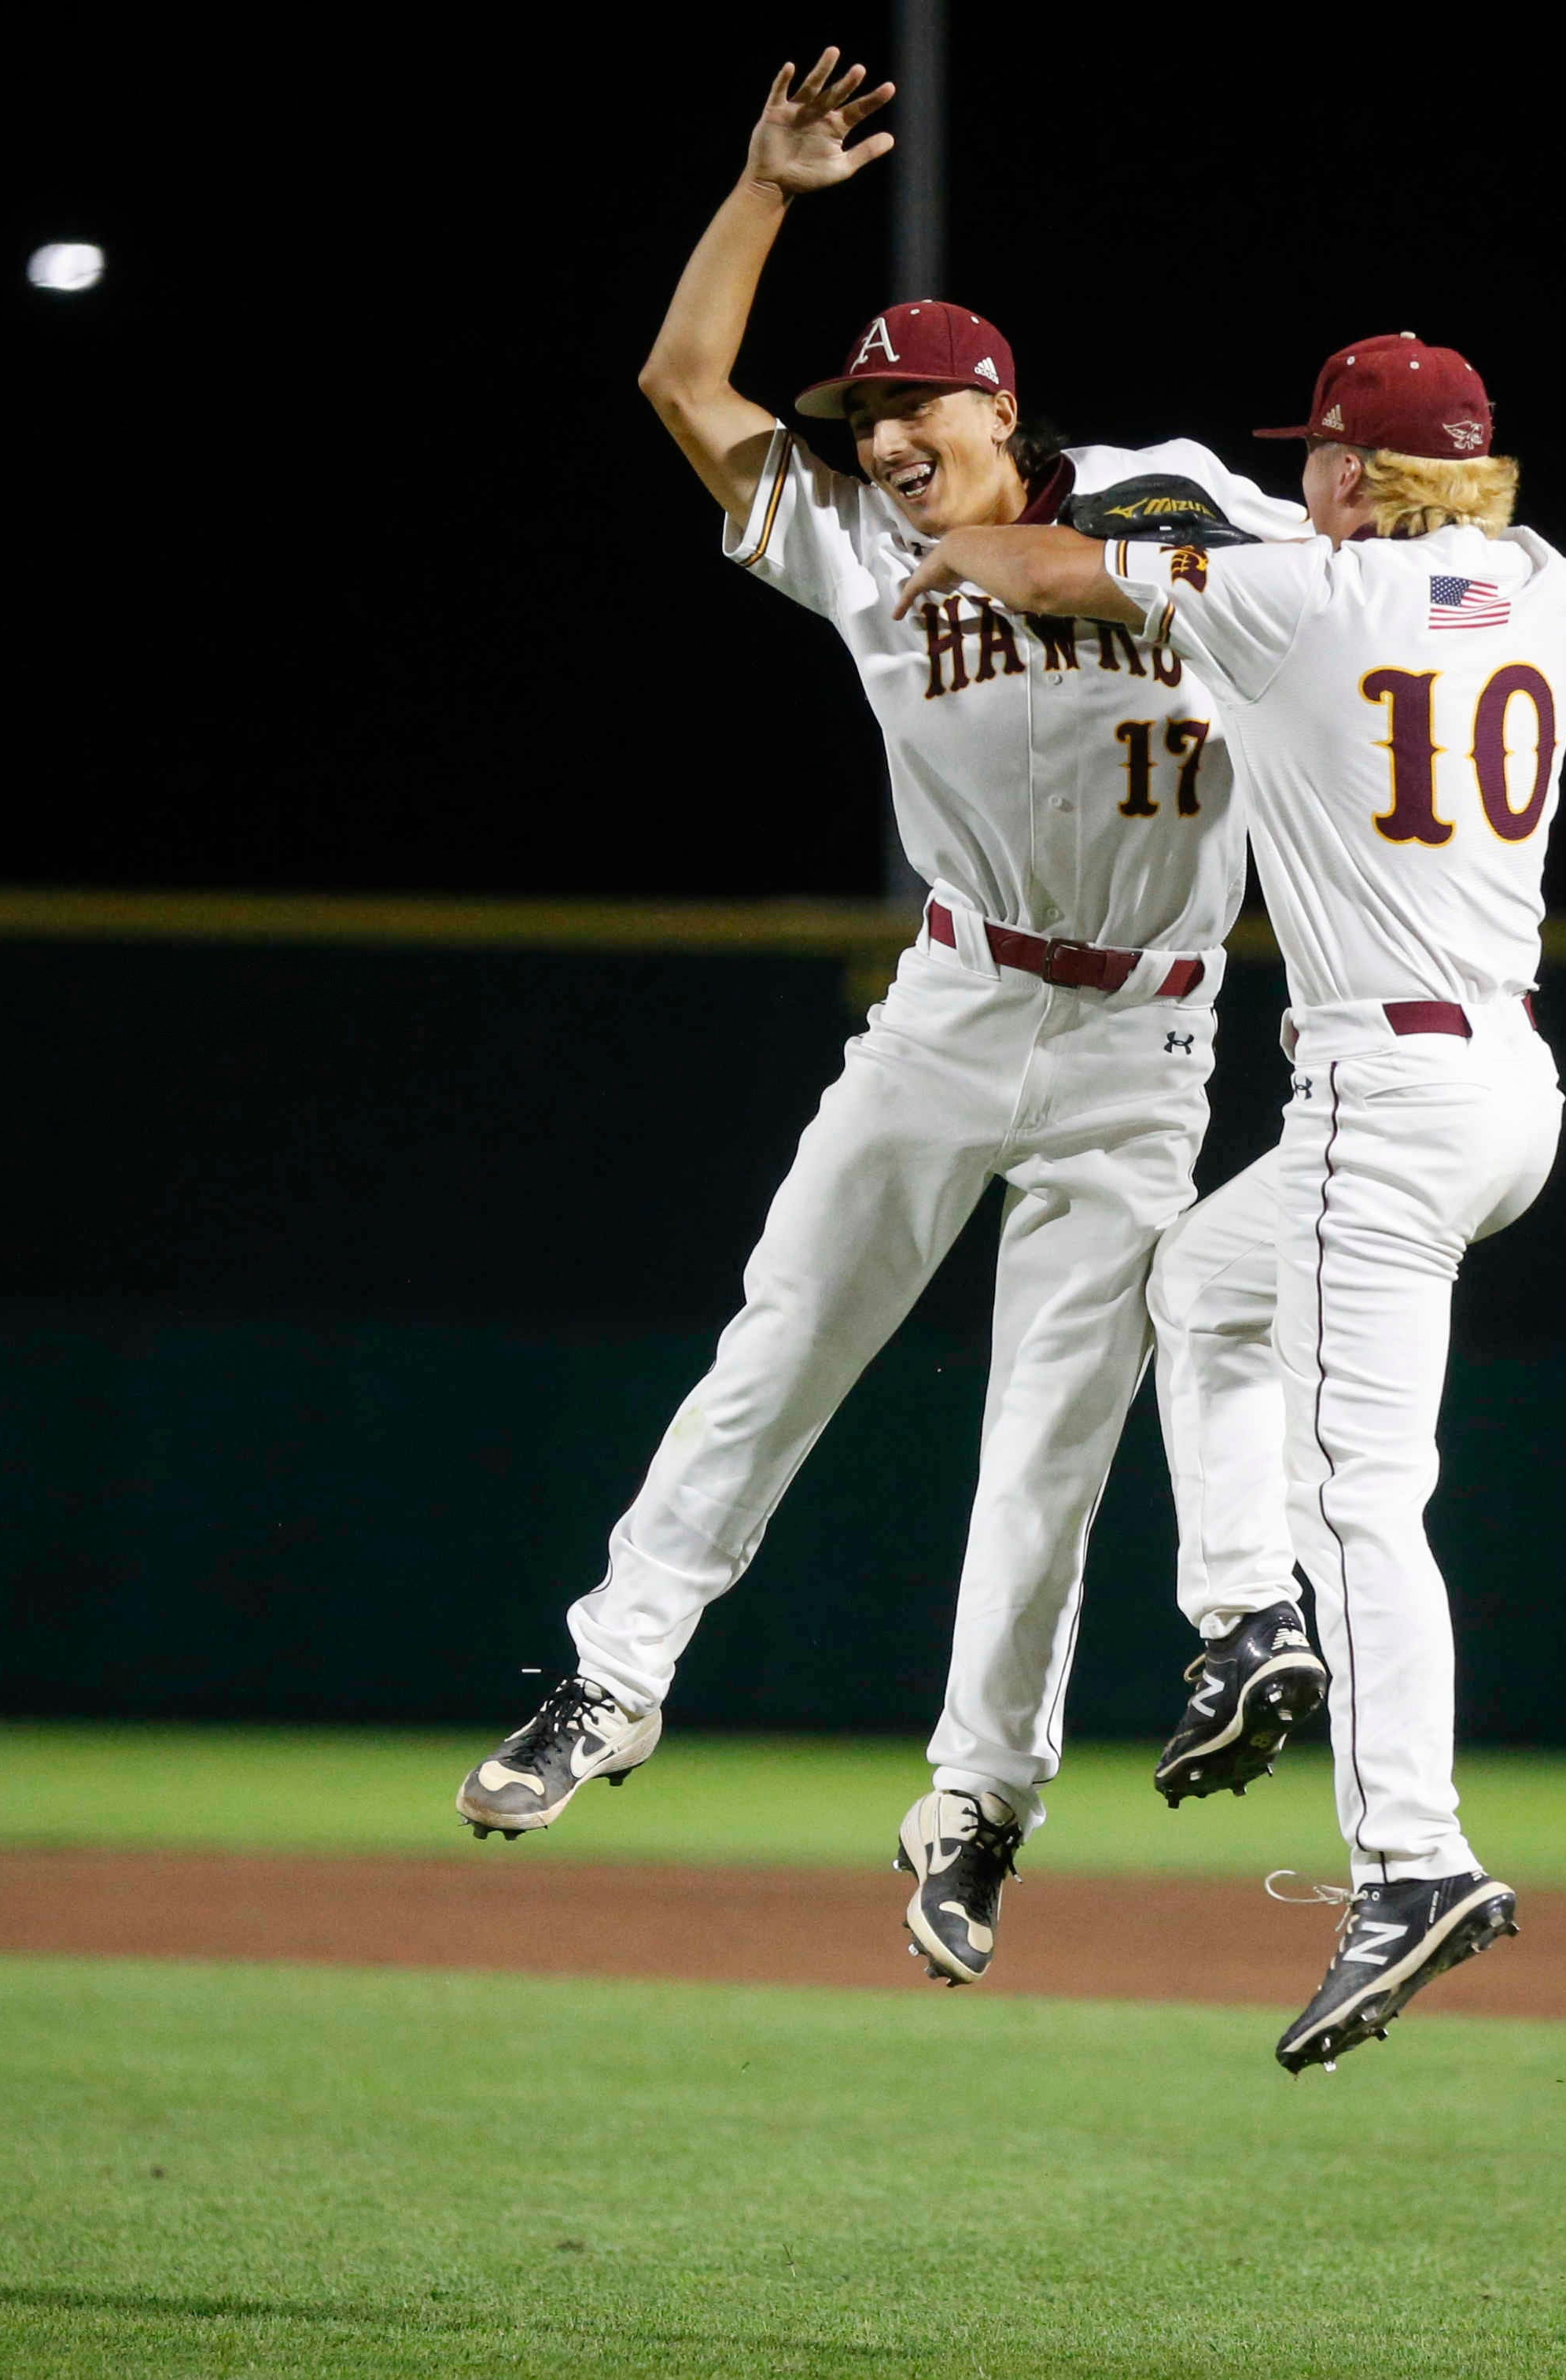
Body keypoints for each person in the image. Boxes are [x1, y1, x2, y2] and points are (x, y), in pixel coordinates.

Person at [451, 51, 1307, 1991]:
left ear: (996, 402)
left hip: (1145, 1046)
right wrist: (763, 188)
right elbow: (682, 386)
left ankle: (978, 1806)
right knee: (789, 1338)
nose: (881, 440)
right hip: (953, 995)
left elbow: (1334, 599)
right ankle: (613, 1676)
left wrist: (1106, 571)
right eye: (861, 417)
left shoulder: (1186, 499)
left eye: (907, 407)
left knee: (1049, 1451)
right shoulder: (853, 541)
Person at [897, 333, 1566, 2068]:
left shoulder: (1296, 597)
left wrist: (953, 512)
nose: (1300, 473)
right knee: (1200, 1283)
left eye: (1320, 452)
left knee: (1367, 1497)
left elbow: (1026, 562)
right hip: (1510, 1088)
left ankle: (1416, 1857)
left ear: (1361, 481)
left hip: (1383, 1098)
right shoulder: (1548, 586)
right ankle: (1244, 1622)